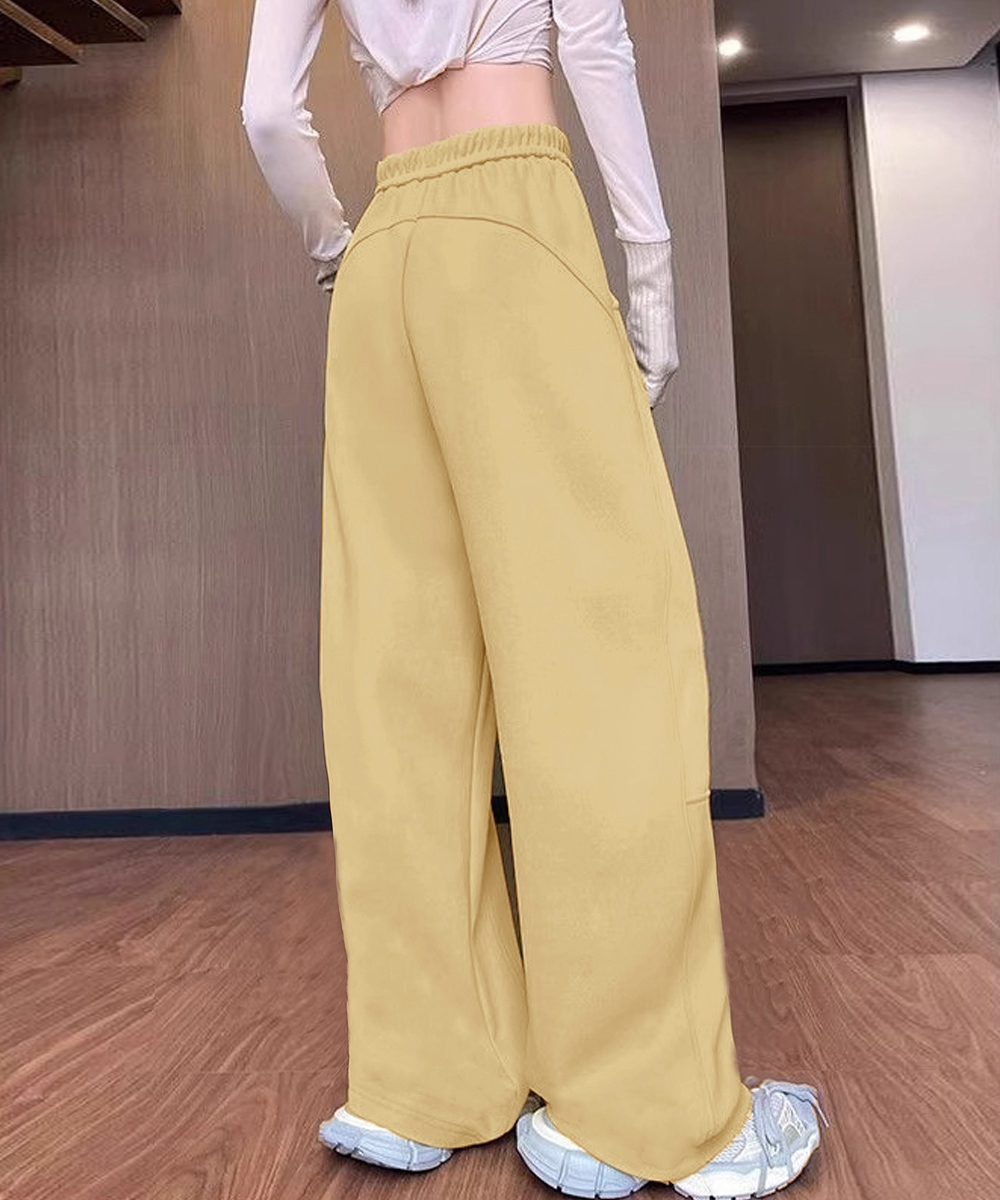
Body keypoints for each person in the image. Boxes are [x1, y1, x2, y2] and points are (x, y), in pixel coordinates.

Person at [239, 2, 830, 1197]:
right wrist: (649, 289)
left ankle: (422, 1082)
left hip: (386, 255)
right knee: (601, 666)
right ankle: (641, 1109)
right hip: (517, 225)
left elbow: (264, 112)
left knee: (399, 686)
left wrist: (342, 249)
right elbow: (597, 51)